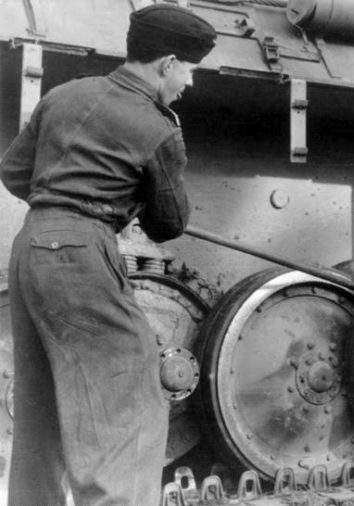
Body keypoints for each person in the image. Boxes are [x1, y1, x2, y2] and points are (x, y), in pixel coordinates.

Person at [0, 5, 216, 505]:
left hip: (30, 243)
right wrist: (110, 203)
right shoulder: (157, 126)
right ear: (166, 63)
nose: (188, 83)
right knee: (131, 396)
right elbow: (168, 224)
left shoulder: (65, 93)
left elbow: (14, 173)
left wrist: (68, 196)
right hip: (83, 251)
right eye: (188, 69)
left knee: (43, 406)